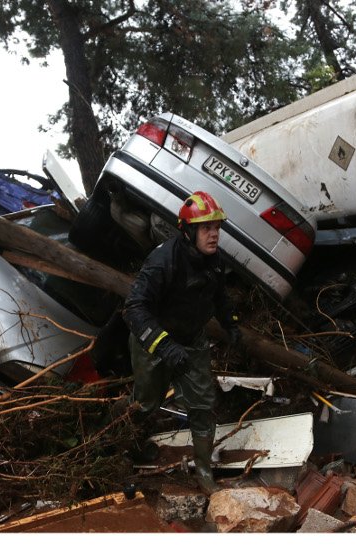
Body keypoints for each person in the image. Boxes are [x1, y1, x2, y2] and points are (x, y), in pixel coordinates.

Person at [121, 190, 241, 494]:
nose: (214, 235)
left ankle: (203, 470)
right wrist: (163, 345)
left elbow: (220, 296)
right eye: (206, 228)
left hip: (191, 340)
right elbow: (134, 308)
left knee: (203, 405)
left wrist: (231, 325)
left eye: (216, 228)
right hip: (154, 342)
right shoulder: (163, 261)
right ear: (188, 231)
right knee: (147, 402)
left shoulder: (214, 260)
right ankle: (126, 452)